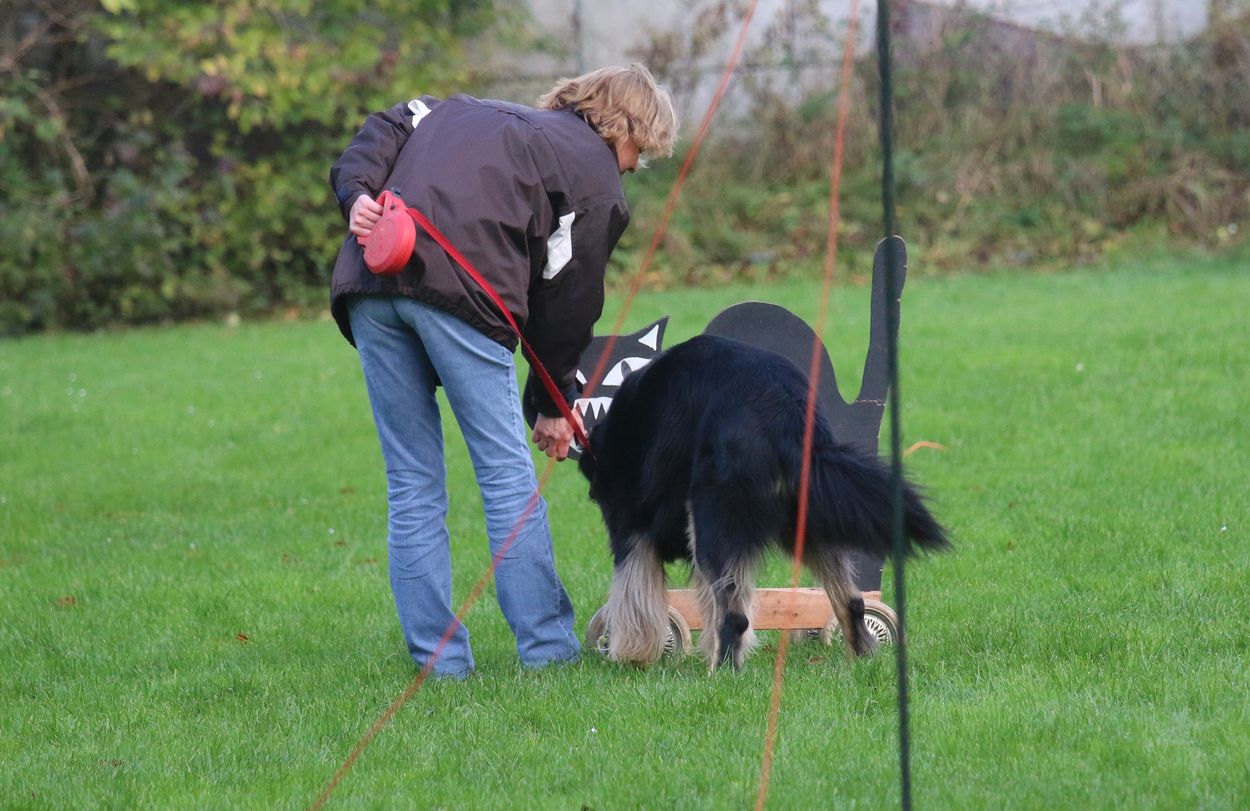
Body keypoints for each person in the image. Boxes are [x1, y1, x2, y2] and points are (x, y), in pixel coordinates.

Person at [327, 64, 678, 678]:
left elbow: (391, 122)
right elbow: (568, 303)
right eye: (639, 153)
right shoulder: (593, 175)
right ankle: (548, 652)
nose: (632, 167)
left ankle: (439, 665)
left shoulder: (459, 108)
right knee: (506, 476)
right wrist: (552, 403)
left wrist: (356, 193)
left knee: (411, 481)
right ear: (627, 127)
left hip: (370, 285)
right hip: (458, 296)